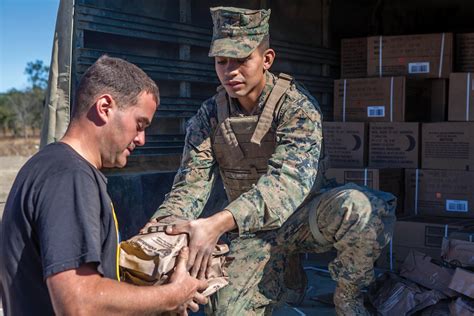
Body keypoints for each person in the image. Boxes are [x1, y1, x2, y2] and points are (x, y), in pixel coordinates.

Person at [146, 7, 397, 316]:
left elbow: (286, 185)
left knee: (363, 208)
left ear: (266, 60)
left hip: (305, 217)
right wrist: (162, 226)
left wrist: (216, 224)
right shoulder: (209, 115)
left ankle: (349, 300)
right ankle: (285, 277)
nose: (231, 72)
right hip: (251, 229)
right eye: (222, 62)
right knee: (223, 309)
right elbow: (190, 185)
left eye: (241, 60)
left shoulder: (296, 108)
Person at [0, 55, 208, 316]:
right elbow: (78, 303)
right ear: (105, 106)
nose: (142, 139)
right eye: (139, 124)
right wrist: (172, 296)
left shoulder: (51, 165)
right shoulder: (69, 177)